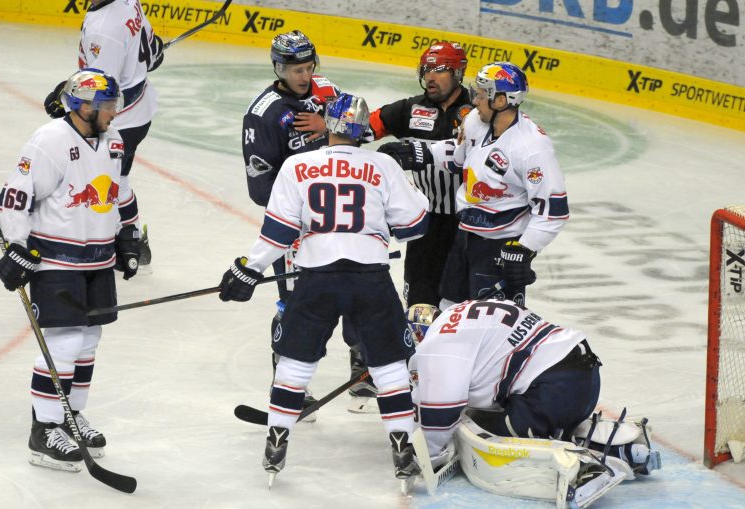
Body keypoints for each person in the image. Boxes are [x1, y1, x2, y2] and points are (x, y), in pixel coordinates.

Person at [220, 93, 430, 486]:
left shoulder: (298, 165)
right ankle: (403, 449)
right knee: (388, 366)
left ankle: (276, 442)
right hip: (370, 277)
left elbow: (279, 231)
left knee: (296, 363)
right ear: (362, 129)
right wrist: (386, 217)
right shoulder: (382, 165)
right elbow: (415, 225)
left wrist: (250, 267)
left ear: (328, 124)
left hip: (316, 277)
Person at [0, 68, 140, 471]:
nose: (114, 111)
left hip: (99, 259)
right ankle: (44, 430)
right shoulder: (50, 140)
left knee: (88, 340)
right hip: (55, 260)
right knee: (64, 342)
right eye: (107, 104)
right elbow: (14, 196)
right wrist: (17, 246)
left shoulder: (113, 140)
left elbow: (120, 190)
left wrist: (128, 233)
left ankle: (71, 417)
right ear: (83, 106)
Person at [405, 300, 661, 504]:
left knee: (477, 425)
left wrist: (426, 455)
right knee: (506, 407)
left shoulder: (439, 341)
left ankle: (581, 470)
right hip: (584, 377)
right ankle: (618, 446)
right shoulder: (464, 311)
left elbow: (440, 415)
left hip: (553, 388)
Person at [241, 30, 371, 405]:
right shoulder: (263, 114)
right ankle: (287, 382)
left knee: (360, 291)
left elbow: (358, 135)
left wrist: (327, 125)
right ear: (278, 68)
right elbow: (261, 190)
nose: (305, 75)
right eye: (296, 69)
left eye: (309, 67)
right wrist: (308, 205)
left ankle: (362, 373)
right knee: (297, 305)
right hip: (298, 228)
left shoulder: (327, 91)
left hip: (342, 217)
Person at [385, 62, 569, 309]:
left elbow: (552, 211)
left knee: (493, 318)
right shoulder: (474, 120)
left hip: (499, 245)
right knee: (449, 308)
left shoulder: (532, 148)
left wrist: (524, 249)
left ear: (501, 101)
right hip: (464, 234)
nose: (475, 100)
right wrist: (421, 153)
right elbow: (460, 156)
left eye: (482, 95)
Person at [44, 0, 164, 270]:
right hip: (138, 112)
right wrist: (153, 52)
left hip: (119, 119)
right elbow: (150, 47)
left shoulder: (104, 29)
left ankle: (121, 242)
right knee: (117, 178)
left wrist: (65, 100)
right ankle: (132, 241)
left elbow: (101, 90)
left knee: (98, 178)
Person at [372, 41, 472, 310]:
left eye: (439, 70)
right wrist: (329, 123)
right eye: (427, 70)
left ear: (458, 73)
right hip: (424, 223)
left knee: (463, 306)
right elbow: (362, 126)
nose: (430, 77)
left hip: (468, 224)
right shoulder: (410, 109)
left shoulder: (478, 110)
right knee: (419, 304)